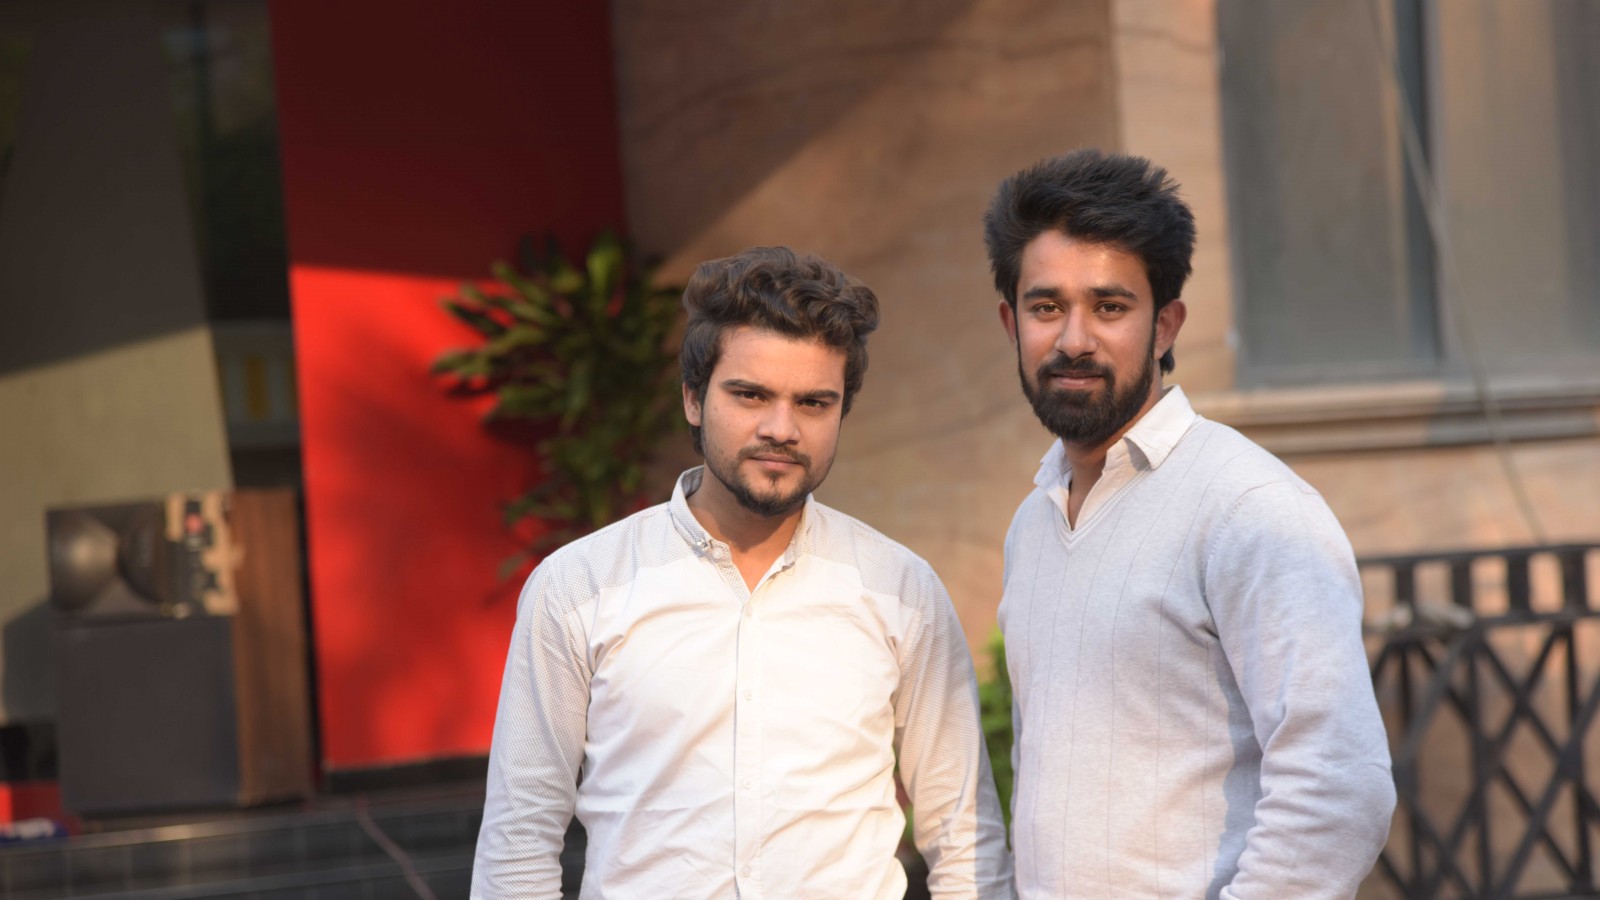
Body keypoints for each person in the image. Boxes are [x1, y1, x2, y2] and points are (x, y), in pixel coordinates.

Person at [472, 246, 1013, 898]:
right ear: (693, 400)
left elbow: (964, 835)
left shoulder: (901, 590)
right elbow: (520, 838)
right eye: (751, 395)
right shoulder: (579, 587)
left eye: (813, 403)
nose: (782, 428)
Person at [982, 149, 1395, 898]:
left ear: (1165, 325)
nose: (1074, 339)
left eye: (1110, 307)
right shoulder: (1032, 522)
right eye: (1046, 307)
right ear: (1012, 323)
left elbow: (1338, 787)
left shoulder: (1250, 508)